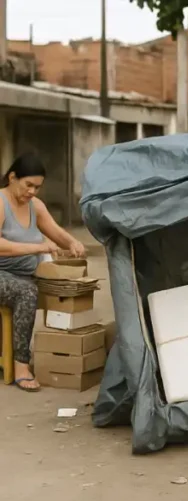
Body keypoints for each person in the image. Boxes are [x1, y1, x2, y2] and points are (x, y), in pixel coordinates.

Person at [0, 153, 87, 392]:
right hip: (2, 274)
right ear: (12, 177)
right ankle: (21, 364)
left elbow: (55, 231)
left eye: (37, 187)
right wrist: (38, 246)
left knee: (70, 287)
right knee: (27, 292)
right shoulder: (0, 202)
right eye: (28, 185)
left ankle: (63, 355)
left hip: (27, 272)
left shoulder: (35, 206)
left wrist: (72, 243)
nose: (32, 192)